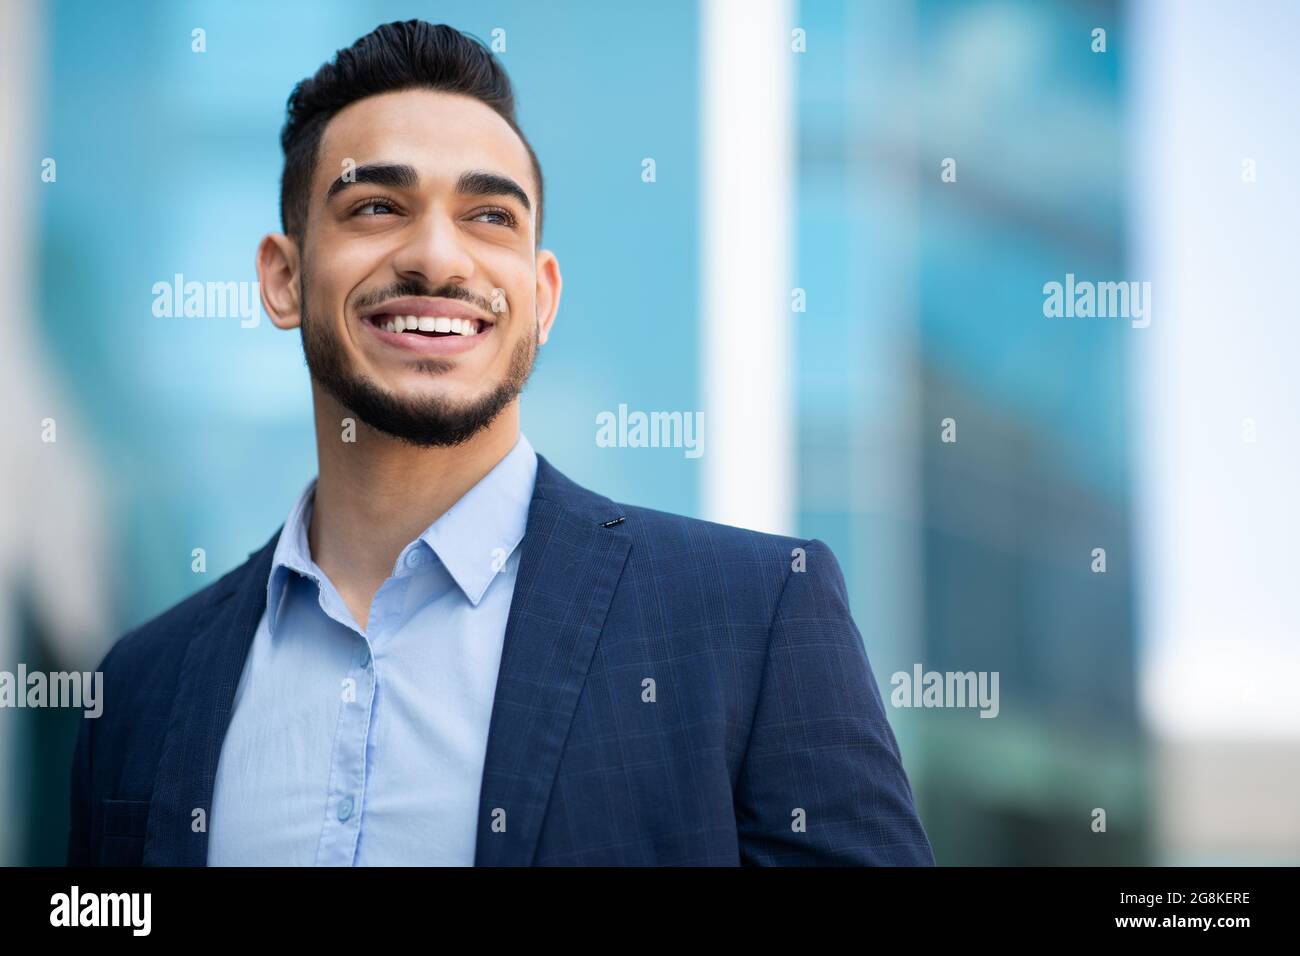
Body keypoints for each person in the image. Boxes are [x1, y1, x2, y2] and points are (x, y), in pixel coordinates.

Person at [67, 20, 934, 867]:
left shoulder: (753, 619)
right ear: (284, 277)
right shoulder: (141, 689)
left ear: (541, 295)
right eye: (376, 205)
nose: (439, 259)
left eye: (489, 217)